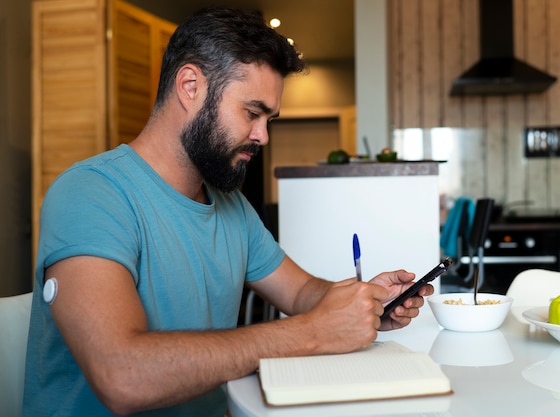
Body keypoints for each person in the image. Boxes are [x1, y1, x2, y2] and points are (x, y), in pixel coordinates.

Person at [23, 7, 433, 417]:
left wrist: (363, 303)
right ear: (190, 86)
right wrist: (312, 333)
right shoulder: (91, 194)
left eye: (268, 119)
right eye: (252, 113)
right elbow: (122, 375)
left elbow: (301, 292)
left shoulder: (230, 205)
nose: (262, 136)